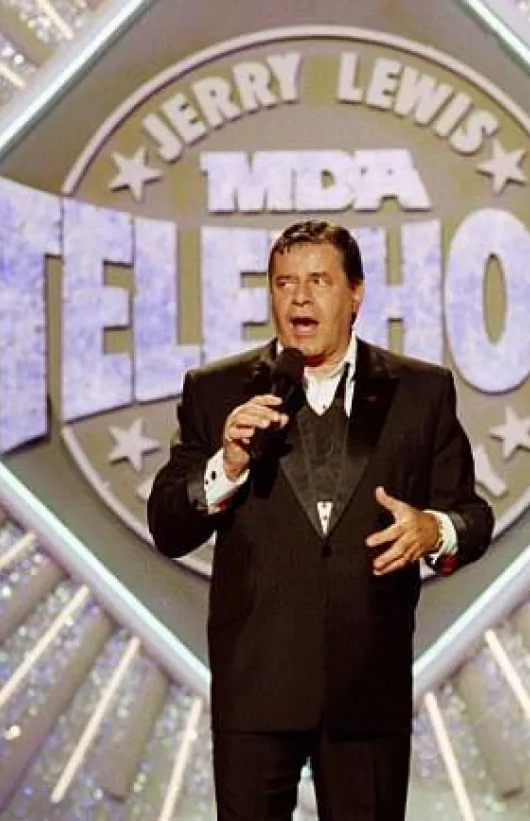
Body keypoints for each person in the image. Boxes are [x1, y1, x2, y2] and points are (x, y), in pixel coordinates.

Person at [147, 219, 493, 820]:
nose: (299, 299)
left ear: (356, 294)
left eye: (318, 281)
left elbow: (473, 517)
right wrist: (227, 464)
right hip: (257, 688)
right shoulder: (219, 391)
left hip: (368, 690)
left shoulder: (421, 391)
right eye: (284, 283)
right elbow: (169, 526)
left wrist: (432, 530)